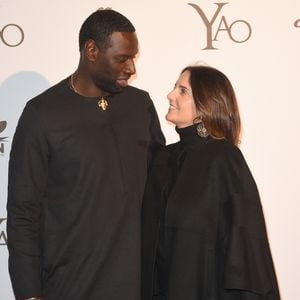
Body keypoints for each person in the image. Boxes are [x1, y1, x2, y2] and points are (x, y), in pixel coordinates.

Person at [7, 8, 165, 300]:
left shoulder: (140, 106)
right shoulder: (42, 114)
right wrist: (30, 294)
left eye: (133, 57)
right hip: (68, 287)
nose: (131, 68)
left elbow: (162, 189)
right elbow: (22, 213)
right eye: (122, 58)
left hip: (137, 286)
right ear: (91, 50)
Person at [142, 65, 280, 300]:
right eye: (175, 87)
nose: (170, 95)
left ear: (206, 104)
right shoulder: (162, 159)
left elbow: (244, 249)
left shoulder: (224, 159)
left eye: (182, 90)